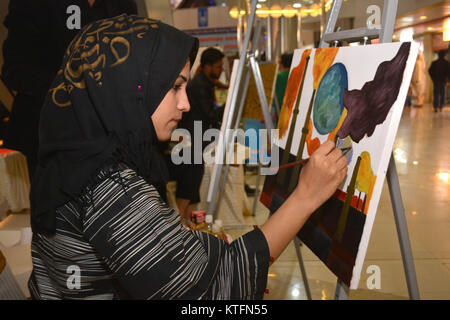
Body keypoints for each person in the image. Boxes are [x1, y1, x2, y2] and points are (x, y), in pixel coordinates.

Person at [28, 15, 347, 300]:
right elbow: (213, 288)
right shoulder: (111, 187)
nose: (185, 104)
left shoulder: (72, 153)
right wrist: (305, 197)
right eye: (174, 88)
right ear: (130, 88)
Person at [1, 0, 137, 181]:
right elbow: (15, 70)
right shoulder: (34, 4)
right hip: (48, 138)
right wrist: (76, 88)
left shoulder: (121, 4)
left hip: (111, 137)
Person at [173, 47, 226, 222]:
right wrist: (229, 104)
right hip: (191, 144)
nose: (221, 70)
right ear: (206, 66)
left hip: (195, 143)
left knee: (193, 189)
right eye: (218, 67)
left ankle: (187, 224)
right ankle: (182, 225)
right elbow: (210, 114)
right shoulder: (199, 86)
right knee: (189, 188)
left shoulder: (205, 83)